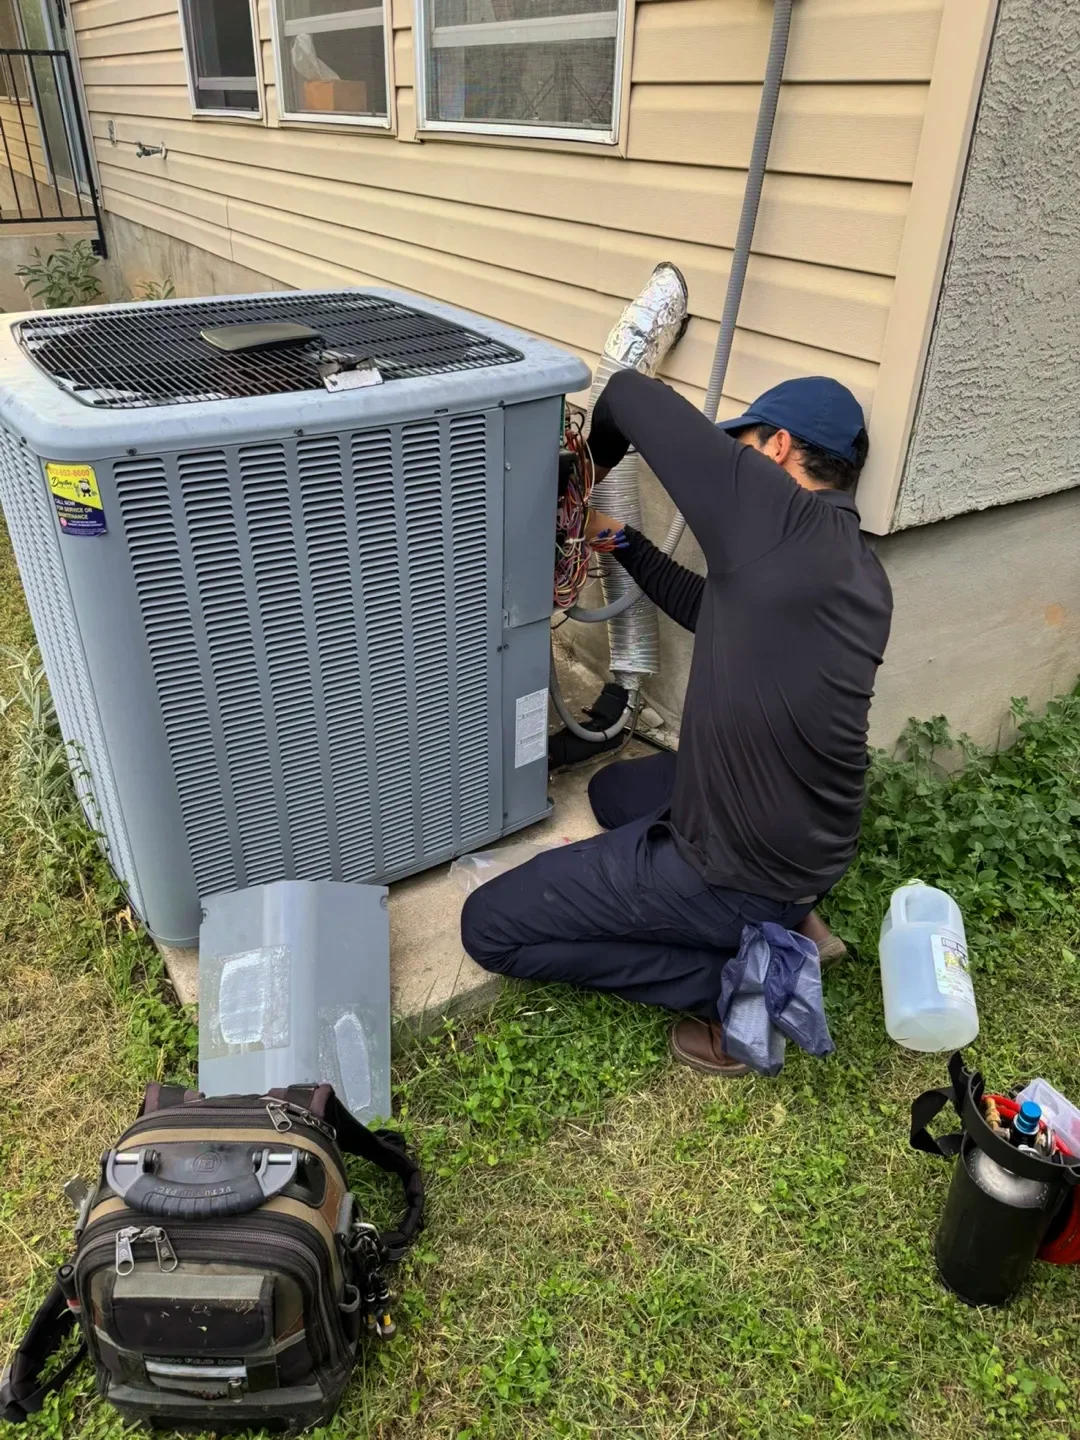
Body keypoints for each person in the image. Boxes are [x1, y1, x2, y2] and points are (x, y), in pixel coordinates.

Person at [461, 371, 893, 1076]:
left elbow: (627, 394)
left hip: (736, 867)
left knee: (488, 926)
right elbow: (712, 611)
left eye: (743, 444)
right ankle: (793, 915)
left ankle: (738, 983)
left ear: (778, 447)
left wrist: (577, 479)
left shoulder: (773, 510)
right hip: (813, 844)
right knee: (613, 794)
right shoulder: (856, 568)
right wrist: (623, 542)